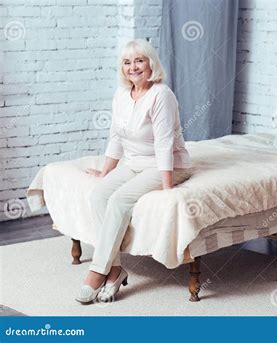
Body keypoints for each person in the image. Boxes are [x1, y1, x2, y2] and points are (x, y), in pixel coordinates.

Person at [75, 39, 192, 304]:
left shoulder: (161, 95)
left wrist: (167, 186)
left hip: (168, 164)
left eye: (139, 60)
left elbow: (164, 142)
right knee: (99, 196)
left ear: (151, 63)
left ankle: (97, 271)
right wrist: (106, 171)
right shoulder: (121, 95)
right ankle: (115, 270)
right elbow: (116, 136)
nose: (133, 67)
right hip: (135, 163)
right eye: (127, 62)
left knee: (119, 200)